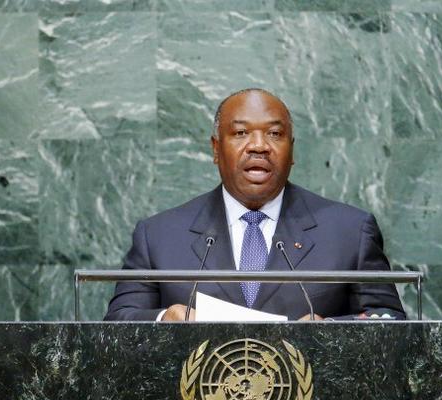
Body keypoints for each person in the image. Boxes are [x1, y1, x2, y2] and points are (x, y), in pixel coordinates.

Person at [104, 88, 405, 321]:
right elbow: (118, 322)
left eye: (275, 134)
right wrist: (163, 318)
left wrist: (329, 333)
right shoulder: (158, 235)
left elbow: (391, 321)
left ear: (292, 150)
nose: (259, 145)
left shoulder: (350, 231)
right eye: (241, 133)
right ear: (216, 149)